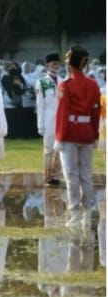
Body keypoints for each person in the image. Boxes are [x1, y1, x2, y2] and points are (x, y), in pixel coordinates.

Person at [54, 45, 101, 228]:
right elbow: (95, 112)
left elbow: (62, 113)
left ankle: (74, 213)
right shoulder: (93, 84)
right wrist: (95, 133)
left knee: (71, 175)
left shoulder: (66, 85)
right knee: (86, 174)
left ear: (69, 64)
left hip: (70, 133)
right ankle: (88, 211)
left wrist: (59, 136)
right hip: (87, 132)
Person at [35, 53, 62, 186]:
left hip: (61, 119)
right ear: (47, 65)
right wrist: (40, 125)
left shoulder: (63, 81)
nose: (55, 66)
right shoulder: (42, 82)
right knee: (48, 149)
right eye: (53, 63)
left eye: (57, 63)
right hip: (48, 119)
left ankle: (56, 175)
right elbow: (40, 106)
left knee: (59, 149)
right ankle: (47, 176)